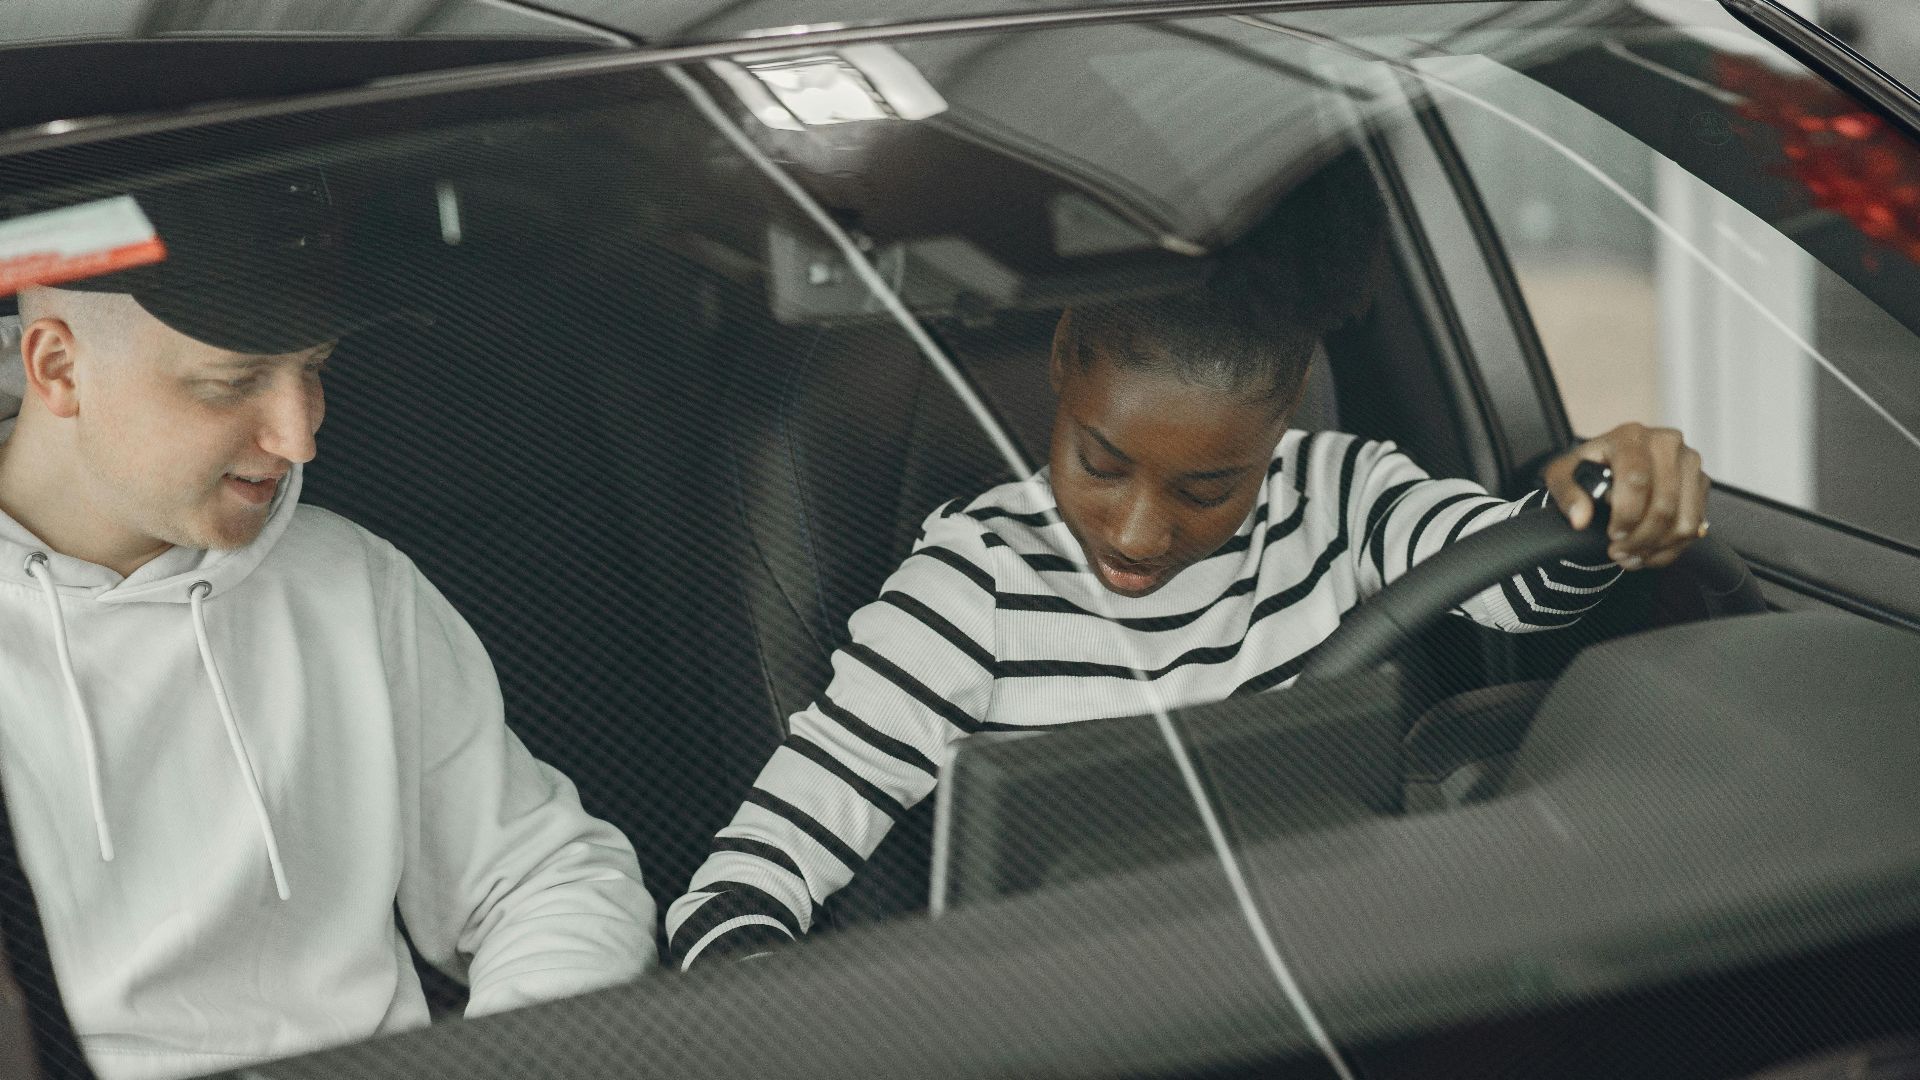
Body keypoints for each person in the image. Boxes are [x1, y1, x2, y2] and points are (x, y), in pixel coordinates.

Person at [664, 160, 1711, 970]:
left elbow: (1520, 585)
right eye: (1101, 463)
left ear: (1286, 412)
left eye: (1208, 490)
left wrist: (1610, 494)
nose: (1136, 532)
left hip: (1333, 969)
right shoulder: (971, 589)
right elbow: (749, 879)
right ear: (1064, 365)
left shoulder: (1341, 494)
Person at [0, 173, 655, 1080]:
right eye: (232, 382)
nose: (299, 435)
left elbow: (548, 881)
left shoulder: (349, 582)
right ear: (59, 369)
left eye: (312, 367)